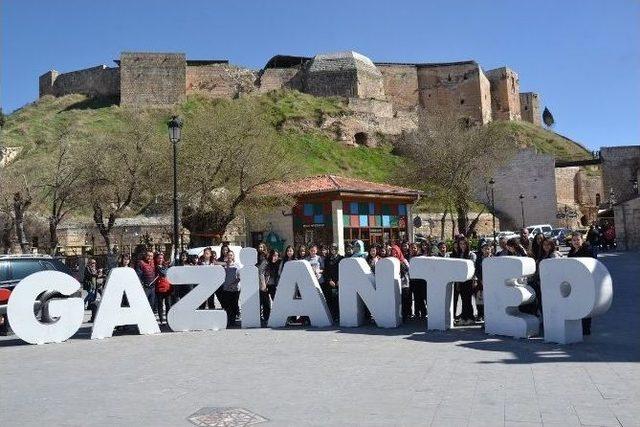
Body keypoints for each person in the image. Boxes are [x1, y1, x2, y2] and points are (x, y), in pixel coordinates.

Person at [568, 232, 596, 335]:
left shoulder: (588, 250)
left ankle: (586, 328)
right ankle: (578, 326)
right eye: (574, 240)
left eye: (577, 239)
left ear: (582, 240)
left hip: (586, 281)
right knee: (577, 305)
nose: (576, 242)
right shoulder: (571, 252)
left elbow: (593, 263)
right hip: (575, 283)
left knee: (586, 305)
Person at [452, 237, 476, 325]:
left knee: (468, 300)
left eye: (464, 244)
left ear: (467, 244)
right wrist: (458, 282)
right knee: (463, 299)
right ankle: (466, 317)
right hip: (461, 280)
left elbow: (473, 268)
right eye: (460, 244)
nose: (462, 245)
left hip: (469, 280)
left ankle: (469, 317)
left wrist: (474, 280)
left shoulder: (471, 254)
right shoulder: (459, 254)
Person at [220, 250, 241, 328]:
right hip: (226, 289)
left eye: (231, 255)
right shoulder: (224, 266)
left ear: (233, 257)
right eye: (228, 255)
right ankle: (228, 320)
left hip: (235, 289)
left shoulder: (236, 266)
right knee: (227, 305)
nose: (230, 257)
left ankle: (233, 321)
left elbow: (239, 277)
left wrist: (233, 284)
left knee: (234, 305)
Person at [322, 244, 342, 322]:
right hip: (330, 283)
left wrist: (340, 280)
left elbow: (343, 270)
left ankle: (339, 315)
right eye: (331, 249)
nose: (333, 250)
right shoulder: (327, 259)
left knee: (339, 300)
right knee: (331, 300)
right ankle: (333, 316)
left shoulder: (341, 258)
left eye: (334, 249)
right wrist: (329, 280)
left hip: (339, 282)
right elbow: (326, 271)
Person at [408, 242, 426, 319]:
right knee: (416, 298)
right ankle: (417, 313)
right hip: (412, 280)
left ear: (417, 248)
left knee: (422, 297)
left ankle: (424, 312)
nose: (413, 249)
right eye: (411, 248)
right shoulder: (409, 257)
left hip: (421, 281)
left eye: (414, 248)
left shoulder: (420, 257)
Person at [474, 242, 491, 321]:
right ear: (482, 250)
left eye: (488, 249)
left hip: (491, 282)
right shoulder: (479, 259)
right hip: (481, 282)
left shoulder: (494, 259)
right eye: (485, 249)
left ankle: (488, 315)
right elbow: (477, 271)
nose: (487, 251)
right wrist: (481, 279)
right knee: (480, 299)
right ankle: (480, 314)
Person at [154, 253, 172, 324]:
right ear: (156, 259)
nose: (160, 259)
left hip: (167, 288)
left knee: (168, 305)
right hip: (159, 288)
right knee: (160, 305)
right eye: (159, 258)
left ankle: (168, 320)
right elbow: (163, 273)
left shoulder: (166, 266)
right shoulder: (155, 267)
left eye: (161, 258)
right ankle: (161, 320)